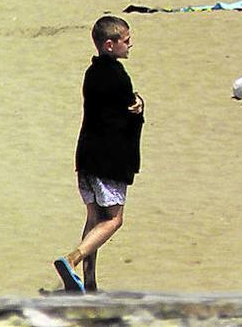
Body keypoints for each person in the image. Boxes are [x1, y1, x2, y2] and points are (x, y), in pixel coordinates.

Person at [52, 16, 144, 293]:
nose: (130, 44)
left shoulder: (91, 73)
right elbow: (129, 111)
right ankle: (72, 259)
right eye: (125, 40)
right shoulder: (117, 75)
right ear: (109, 44)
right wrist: (140, 104)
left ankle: (88, 284)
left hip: (86, 157)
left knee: (93, 218)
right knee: (113, 220)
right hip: (108, 161)